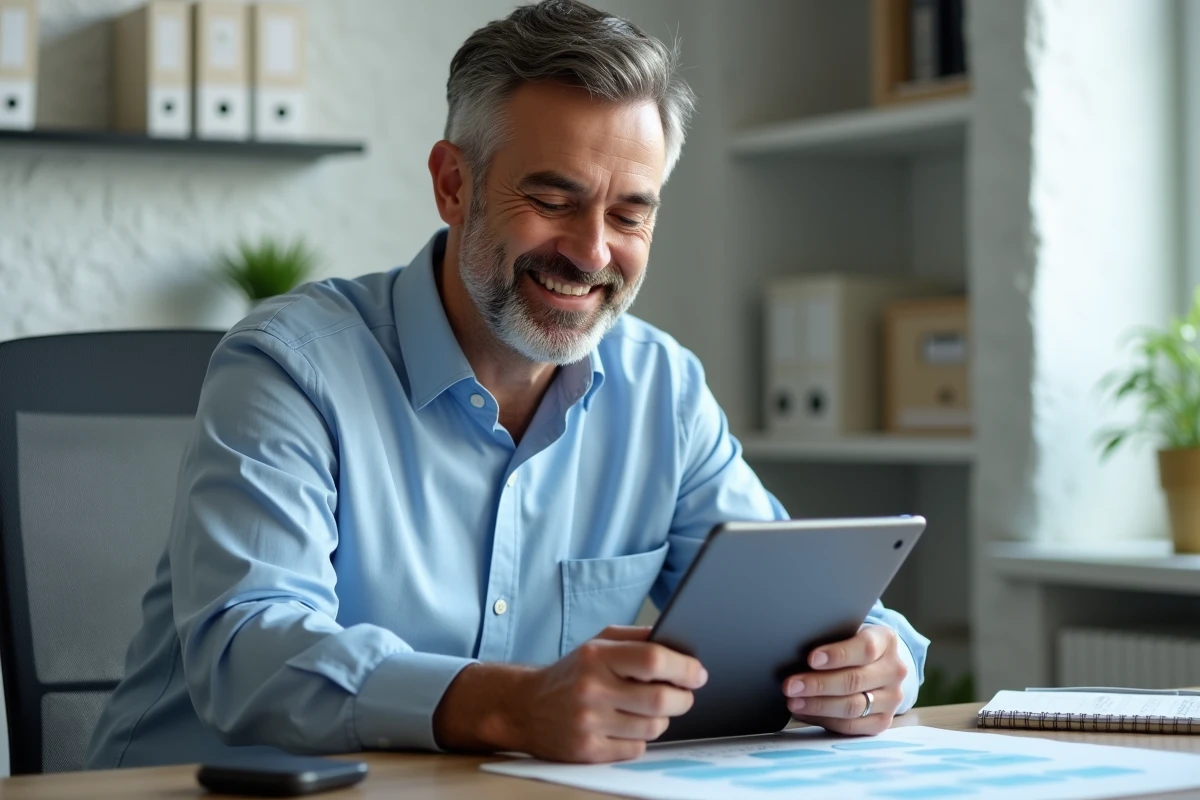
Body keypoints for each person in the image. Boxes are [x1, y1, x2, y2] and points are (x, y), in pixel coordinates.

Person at [87, 0, 928, 769]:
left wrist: (869, 661)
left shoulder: (661, 388)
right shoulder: (290, 369)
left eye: (631, 213)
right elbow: (248, 652)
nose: (593, 252)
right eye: (553, 198)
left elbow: (785, 599)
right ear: (454, 184)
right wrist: (512, 706)